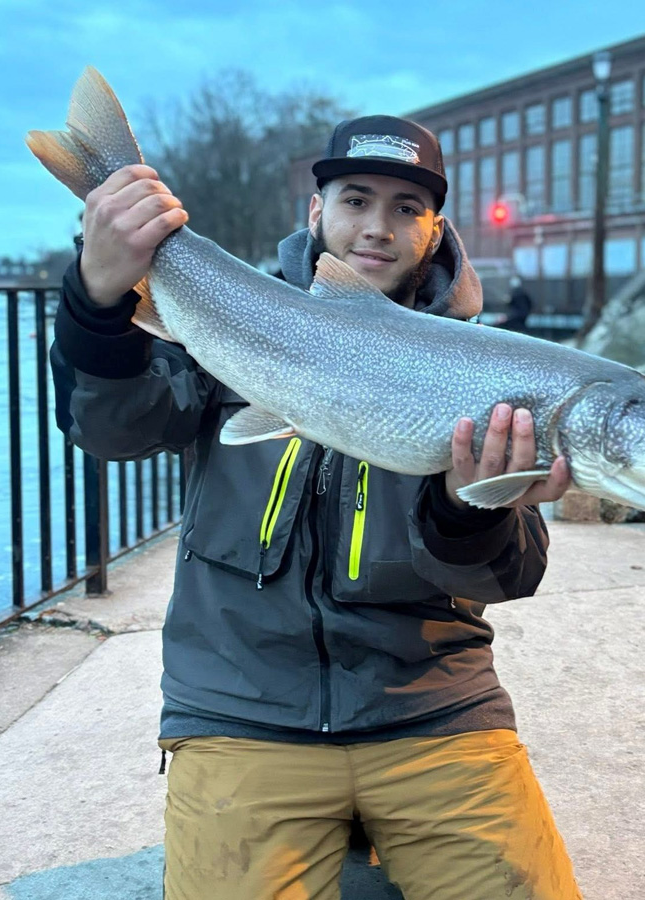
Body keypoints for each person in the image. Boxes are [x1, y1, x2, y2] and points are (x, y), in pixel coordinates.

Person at [50, 114, 582, 900]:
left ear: (435, 231)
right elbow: (112, 430)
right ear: (316, 212)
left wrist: (472, 508)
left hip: (434, 712)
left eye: (407, 208)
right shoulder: (238, 318)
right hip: (241, 712)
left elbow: (513, 575)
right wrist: (96, 305)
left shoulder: (486, 367)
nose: (377, 226)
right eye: (356, 199)